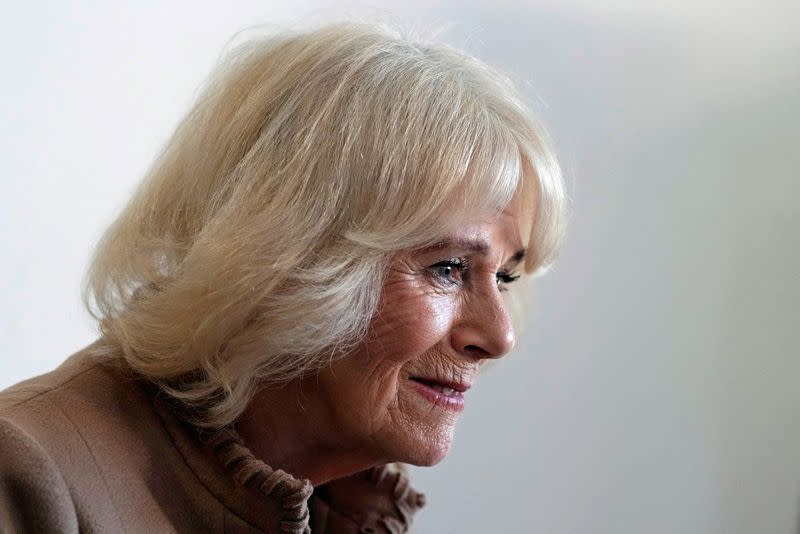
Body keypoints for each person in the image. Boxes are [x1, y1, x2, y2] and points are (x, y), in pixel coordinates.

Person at [0, 20, 566, 533]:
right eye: (448, 269)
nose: (498, 337)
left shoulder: (346, 504)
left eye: (506, 278)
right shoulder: (27, 477)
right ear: (285, 255)